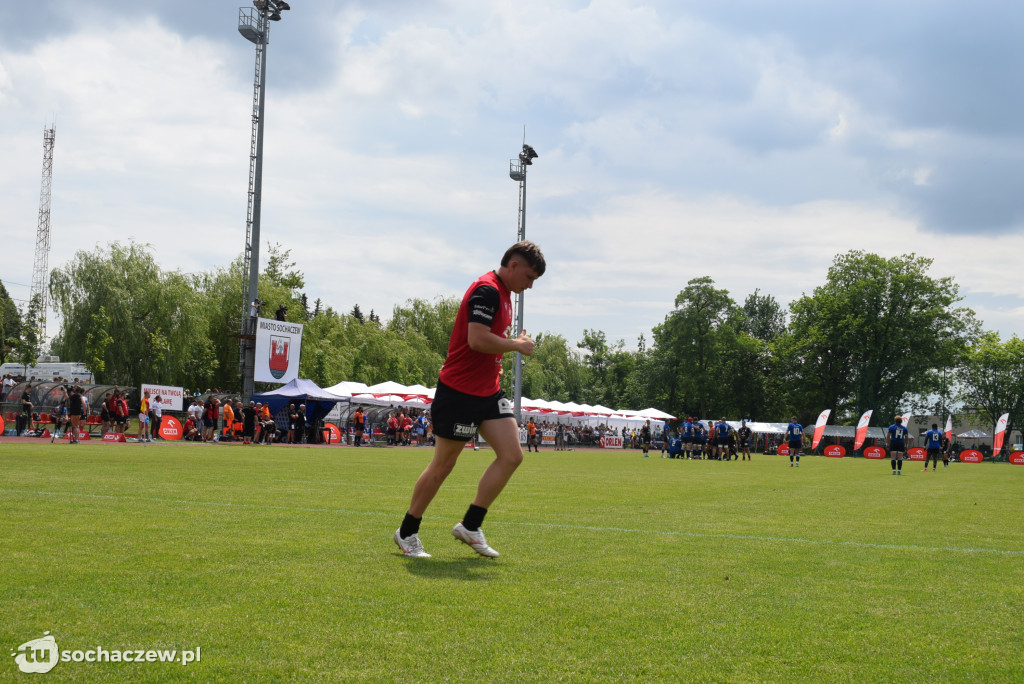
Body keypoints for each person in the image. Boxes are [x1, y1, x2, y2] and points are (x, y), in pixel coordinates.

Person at [394, 240, 545, 559]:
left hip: (487, 391)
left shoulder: (506, 295)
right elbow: (476, 340)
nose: (529, 286)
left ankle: (470, 526)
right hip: (459, 391)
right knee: (443, 465)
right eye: (529, 277)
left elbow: (488, 342)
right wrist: (515, 346)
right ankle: (407, 533)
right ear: (514, 265)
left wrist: (509, 344)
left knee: (512, 455)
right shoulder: (487, 290)